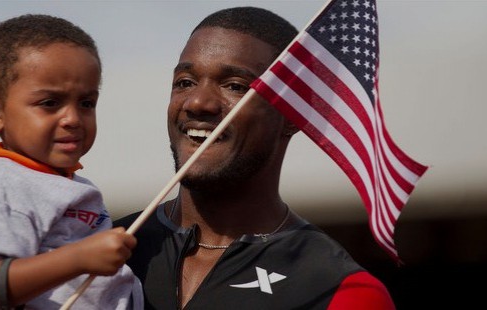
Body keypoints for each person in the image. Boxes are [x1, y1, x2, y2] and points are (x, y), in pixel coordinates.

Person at [115, 6, 395, 310]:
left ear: (293, 114)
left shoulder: (338, 289)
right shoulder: (99, 251)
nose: (197, 102)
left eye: (235, 86)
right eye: (185, 82)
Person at [0, 14, 142, 309]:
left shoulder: (56, 182)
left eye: (86, 103)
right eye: (49, 103)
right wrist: (79, 257)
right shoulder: (5, 189)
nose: (72, 119)